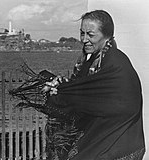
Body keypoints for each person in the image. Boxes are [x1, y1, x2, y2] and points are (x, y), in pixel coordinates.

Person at [42, 10, 145, 160]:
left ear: (107, 35)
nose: (84, 39)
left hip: (119, 139)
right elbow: (84, 89)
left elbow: (121, 104)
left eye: (90, 35)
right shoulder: (89, 62)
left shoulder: (116, 62)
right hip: (102, 134)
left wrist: (65, 93)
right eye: (82, 33)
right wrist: (62, 86)